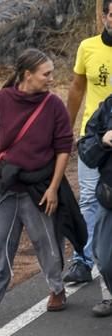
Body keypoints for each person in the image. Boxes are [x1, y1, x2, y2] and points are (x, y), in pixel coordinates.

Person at [0, 48, 85, 330]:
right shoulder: (0, 101)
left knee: (46, 241)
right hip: (5, 185)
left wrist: (55, 187)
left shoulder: (54, 106)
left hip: (40, 186)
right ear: (27, 75)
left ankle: (56, 288)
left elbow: (62, 149)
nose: (50, 79)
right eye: (46, 74)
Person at [65, 0, 112, 308]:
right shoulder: (88, 48)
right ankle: (82, 259)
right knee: (88, 199)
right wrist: (65, 131)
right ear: (105, 15)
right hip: (93, 136)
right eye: (111, 13)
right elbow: (77, 89)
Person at [76, 94, 112, 316]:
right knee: (105, 260)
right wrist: (102, 142)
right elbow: (86, 150)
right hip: (109, 198)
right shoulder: (108, 107)